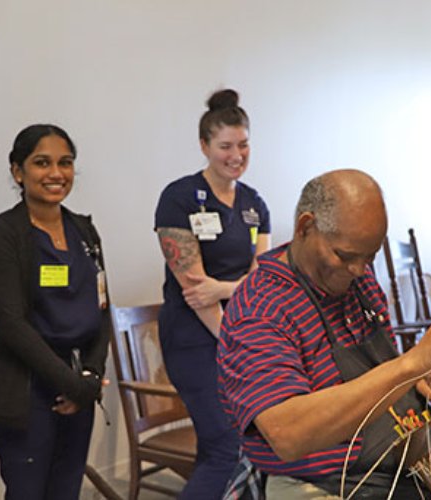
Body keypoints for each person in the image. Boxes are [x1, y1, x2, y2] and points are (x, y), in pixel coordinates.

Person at [218, 170, 431, 499]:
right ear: (305, 227)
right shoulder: (261, 307)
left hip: (394, 455)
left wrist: (429, 373)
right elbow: (288, 434)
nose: (360, 270)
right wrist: (412, 364)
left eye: (370, 257)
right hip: (326, 479)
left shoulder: (356, 280)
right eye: (345, 256)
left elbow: (380, 372)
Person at [0, 124, 111, 500]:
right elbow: (12, 325)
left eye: (65, 163)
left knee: (66, 491)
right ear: (18, 171)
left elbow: (102, 310)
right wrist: (73, 385)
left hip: (78, 384)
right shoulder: (2, 235)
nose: (56, 173)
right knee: (28, 492)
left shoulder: (85, 232)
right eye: (42, 163)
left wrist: (91, 375)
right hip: (25, 389)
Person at [154, 89, 271, 498]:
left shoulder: (255, 204)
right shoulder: (179, 198)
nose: (236, 155)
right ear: (204, 146)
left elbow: (261, 280)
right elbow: (193, 291)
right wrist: (231, 341)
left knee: (256, 442)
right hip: (196, 339)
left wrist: (222, 288)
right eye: (225, 146)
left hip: (240, 335)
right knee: (227, 445)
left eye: (243, 144)